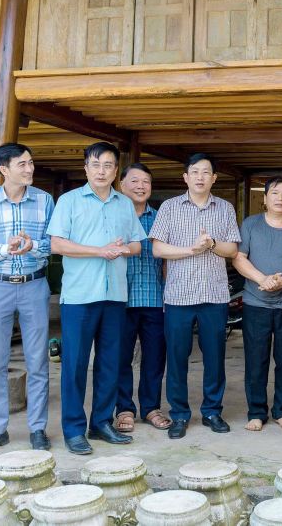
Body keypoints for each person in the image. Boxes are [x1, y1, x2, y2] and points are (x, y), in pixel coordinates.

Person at [48, 142, 145, 455]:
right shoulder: (69, 201)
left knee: (110, 363)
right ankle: (74, 430)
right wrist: (99, 250)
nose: (102, 171)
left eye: (108, 165)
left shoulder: (123, 204)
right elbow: (58, 245)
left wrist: (119, 249)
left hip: (115, 294)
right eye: (96, 164)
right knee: (75, 365)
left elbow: (137, 246)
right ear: (86, 168)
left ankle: (101, 423)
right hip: (79, 296)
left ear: (116, 171)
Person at [0, 143, 54, 456]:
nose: (29, 169)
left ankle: (37, 428)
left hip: (34, 285)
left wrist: (33, 246)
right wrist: (4, 249)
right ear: (4, 169)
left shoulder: (45, 200)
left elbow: (54, 243)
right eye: (22, 164)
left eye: (31, 163)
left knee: (38, 361)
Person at [149, 153, 240, 439]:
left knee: (215, 356)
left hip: (214, 294)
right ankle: (179, 414)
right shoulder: (170, 207)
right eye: (195, 172)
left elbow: (233, 251)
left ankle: (212, 411)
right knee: (177, 357)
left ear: (214, 178)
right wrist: (191, 250)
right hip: (178, 296)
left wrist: (211, 243)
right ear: (185, 177)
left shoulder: (224, 209)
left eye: (206, 172)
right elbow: (158, 250)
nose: (200, 177)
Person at [233, 175, 282, 432]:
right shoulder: (251, 225)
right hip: (256, 302)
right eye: (275, 193)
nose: (280, 198)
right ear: (265, 198)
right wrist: (262, 279)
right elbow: (239, 258)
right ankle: (256, 412)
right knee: (256, 359)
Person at [114, 163, 170, 435]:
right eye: (134, 181)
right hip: (118, 299)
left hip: (153, 298)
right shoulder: (112, 216)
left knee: (154, 357)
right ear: (121, 185)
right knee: (120, 357)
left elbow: (167, 261)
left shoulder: (160, 218)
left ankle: (150, 407)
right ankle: (124, 408)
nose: (140, 186)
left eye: (145, 181)